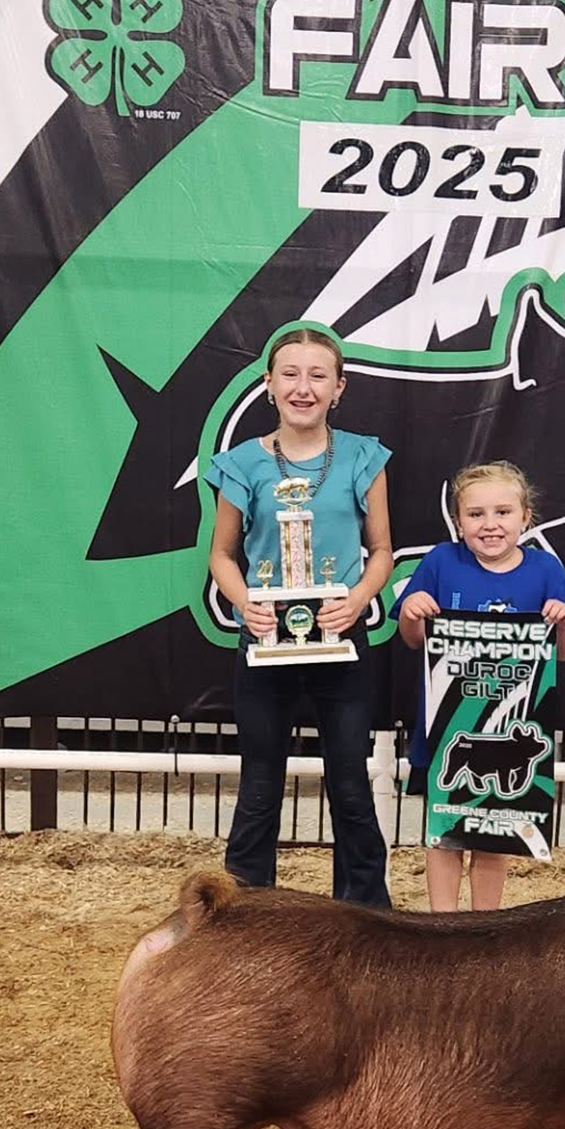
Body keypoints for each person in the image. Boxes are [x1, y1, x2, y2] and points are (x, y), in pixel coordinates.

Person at [205, 324, 393, 905]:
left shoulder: (365, 456)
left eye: (317, 375)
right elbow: (222, 554)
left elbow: (382, 550)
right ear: (268, 384)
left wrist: (357, 599)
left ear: (339, 387)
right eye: (290, 374)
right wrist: (246, 604)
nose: (303, 387)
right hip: (265, 645)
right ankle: (243, 916)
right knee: (260, 786)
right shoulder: (240, 464)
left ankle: (363, 914)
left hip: (342, 641)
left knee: (351, 788)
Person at [396, 461, 565, 913]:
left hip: (510, 724)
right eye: (476, 514)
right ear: (458, 522)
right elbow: (414, 640)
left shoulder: (545, 570)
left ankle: (486, 924)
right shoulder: (441, 561)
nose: (490, 524)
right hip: (445, 728)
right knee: (444, 830)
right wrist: (411, 612)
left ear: (526, 517)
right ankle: (442, 921)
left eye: (502, 512)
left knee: (493, 830)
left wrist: (561, 623)